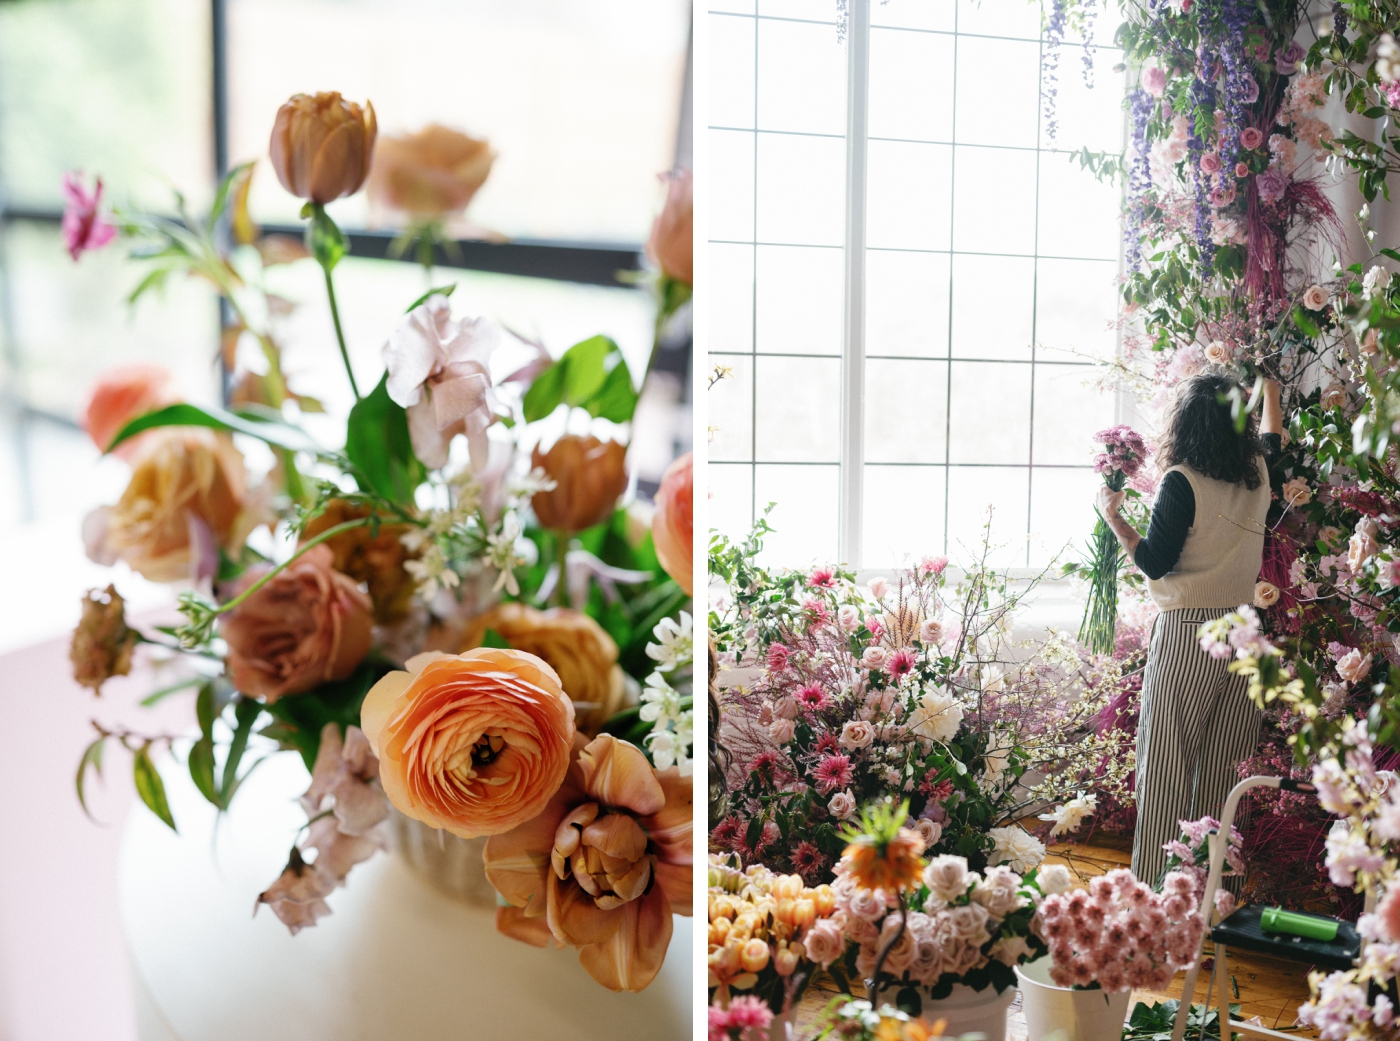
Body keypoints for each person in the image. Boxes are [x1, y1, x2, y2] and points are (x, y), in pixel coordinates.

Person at [1095, 373, 1282, 886]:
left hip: (1190, 632)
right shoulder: (1258, 473)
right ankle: (1217, 892)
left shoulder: (1182, 480)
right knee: (1229, 763)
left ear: (1187, 425)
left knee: (1167, 761)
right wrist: (1268, 389)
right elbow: (1272, 438)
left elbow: (1155, 563)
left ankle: (1159, 892)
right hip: (1248, 631)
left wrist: (1113, 519)